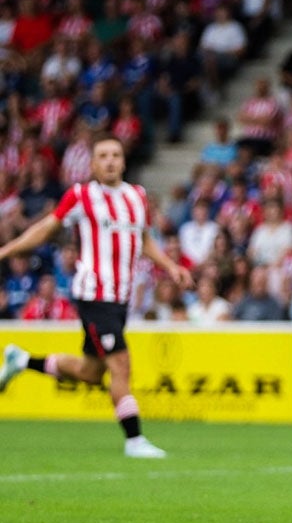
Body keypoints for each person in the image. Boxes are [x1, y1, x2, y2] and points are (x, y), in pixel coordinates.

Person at [0, 135, 192, 457]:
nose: (110, 161)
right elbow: (46, 228)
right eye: (103, 156)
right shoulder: (80, 195)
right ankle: (134, 440)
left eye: (115, 154)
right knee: (121, 363)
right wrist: (7, 249)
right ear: (92, 164)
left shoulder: (137, 196)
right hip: (94, 295)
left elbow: (143, 240)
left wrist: (171, 266)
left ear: (124, 161)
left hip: (120, 298)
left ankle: (21, 360)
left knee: (91, 373)